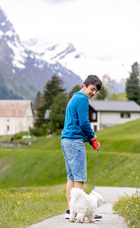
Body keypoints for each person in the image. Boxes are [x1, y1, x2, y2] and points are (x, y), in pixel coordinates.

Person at [61, 75, 102, 219]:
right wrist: (93, 137)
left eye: (95, 91)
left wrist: (90, 141)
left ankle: (70, 211)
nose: (93, 93)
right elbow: (84, 123)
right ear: (84, 85)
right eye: (92, 89)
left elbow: (78, 123)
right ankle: (81, 212)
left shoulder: (74, 97)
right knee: (79, 178)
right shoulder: (82, 99)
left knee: (71, 177)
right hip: (74, 141)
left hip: (66, 140)